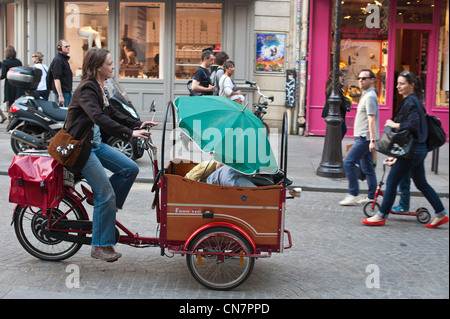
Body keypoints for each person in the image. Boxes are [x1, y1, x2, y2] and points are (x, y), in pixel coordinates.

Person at [63, 48, 157, 261]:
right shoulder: (87, 89)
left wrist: (138, 123)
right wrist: (129, 133)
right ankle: (99, 245)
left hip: (94, 145)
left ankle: (103, 206)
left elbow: (111, 113)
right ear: (98, 67)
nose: (114, 66)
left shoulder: (100, 86)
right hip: (81, 149)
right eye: (110, 63)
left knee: (130, 169)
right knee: (106, 194)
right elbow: (98, 117)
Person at [362, 71, 448, 228]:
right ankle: (441, 213)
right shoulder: (415, 101)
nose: (398, 86)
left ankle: (381, 216)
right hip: (417, 149)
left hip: (412, 151)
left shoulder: (410, 102)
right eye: (398, 83)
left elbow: (413, 125)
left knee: (392, 181)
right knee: (421, 183)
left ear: (412, 85)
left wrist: (395, 125)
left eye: (402, 84)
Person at [339, 69, 379, 206]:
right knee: (368, 168)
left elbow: (371, 119)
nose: (361, 80)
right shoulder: (366, 95)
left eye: (364, 78)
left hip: (365, 138)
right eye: (359, 78)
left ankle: (354, 194)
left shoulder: (370, 96)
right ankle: (371, 196)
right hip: (363, 137)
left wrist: (373, 140)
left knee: (348, 162)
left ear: (372, 80)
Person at [321, 70, 351, 139]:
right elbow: (338, 101)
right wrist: (346, 107)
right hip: (336, 113)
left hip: (333, 113)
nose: (341, 78)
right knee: (342, 130)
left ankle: (335, 146)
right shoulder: (334, 88)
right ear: (332, 77)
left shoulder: (333, 87)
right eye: (339, 76)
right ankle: (335, 146)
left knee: (336, 132)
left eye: (341, 76)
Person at [1, 46, 24, 123]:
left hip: (9, 85)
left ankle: (11, 121)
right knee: (17, 103)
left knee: (10, 103)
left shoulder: (6, 62)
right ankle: (17, 120)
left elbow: (3, 75)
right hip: (18, 84)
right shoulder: (18, 62)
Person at [49, 40, 73, 107]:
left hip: (67, 91)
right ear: (59, 48)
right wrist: (60, 95)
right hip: (63, 92)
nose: (68, 48)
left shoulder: (63, 60)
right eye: (66, 46)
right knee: (64, 113)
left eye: (69, 46)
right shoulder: (58, 61)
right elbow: (56, 79)